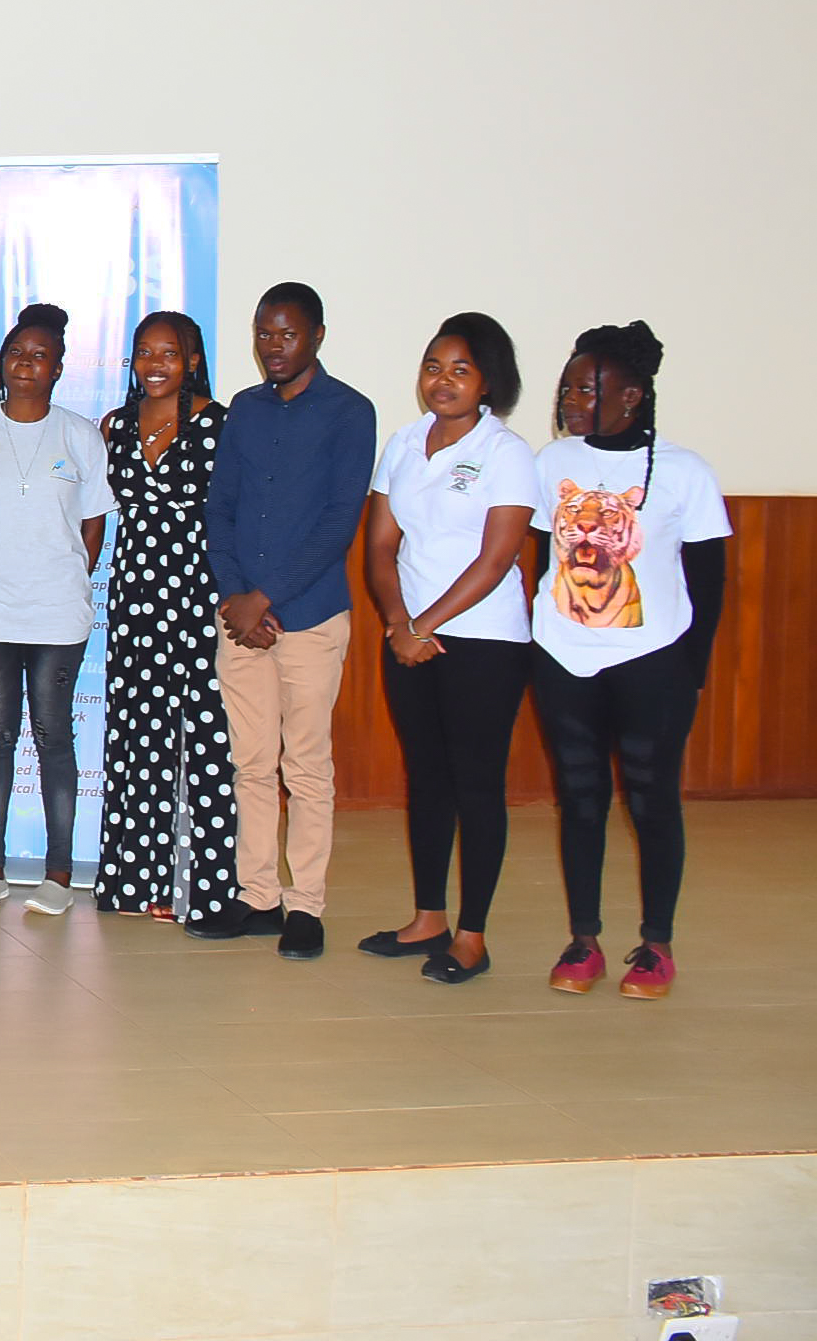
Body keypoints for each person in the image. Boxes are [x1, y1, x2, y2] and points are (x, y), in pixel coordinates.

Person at [528, 323, 727, 1002]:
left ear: (633, 396)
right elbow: (538, 560)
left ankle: (656, 945)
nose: (572, 398)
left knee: (651, 800)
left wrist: (688, 673)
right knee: (580, 800)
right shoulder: (552, 465)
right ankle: (584, 940)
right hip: (563, 660)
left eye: (588, 388)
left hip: (653, 662)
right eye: (569, 386)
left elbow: (709, 581)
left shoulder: (684, 472)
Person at [191, 282, 376, 959]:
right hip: (242, 619)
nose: (273, 346)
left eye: (287, 334)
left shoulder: (350, 412)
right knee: (251, 762)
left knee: (306, 766)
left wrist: (263, 598)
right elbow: (221, 507)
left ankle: (307, 905)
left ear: (317, 336)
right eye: (264, 334)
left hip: (310, 617)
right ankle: (258, 897)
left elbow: (338, 523)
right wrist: (239, 597)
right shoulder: (244, 409)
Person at [356, 313, 537, 984]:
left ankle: (472, 935)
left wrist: (421, 626)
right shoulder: (404, 443)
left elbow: (496, 560)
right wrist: (400, 621)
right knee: (425, 777)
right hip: (409, 638)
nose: (443, 380)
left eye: (461, 369)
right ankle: (428, 916)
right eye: (434, 365)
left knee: (477, 785)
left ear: (489, 381)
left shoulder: (506, 452)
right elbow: (380, 547)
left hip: (484, 644)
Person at [0, 305, 111, 916]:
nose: (26, 363)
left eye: (40, 356)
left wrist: (65, 576)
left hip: (59, 611)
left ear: (58, 369)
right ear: (2, 362)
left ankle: (58, 875)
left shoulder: (80, 435)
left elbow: (93, 524)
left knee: (53, 734)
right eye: (16, 353)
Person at [96, 313, 237, 926]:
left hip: (199, 596)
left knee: (203, 740)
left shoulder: (219, 424)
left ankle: (199, 889)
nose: (154, 364)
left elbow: (234, 514)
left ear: (193, 360)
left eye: (169, 354)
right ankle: (136, 881)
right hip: (133, 597)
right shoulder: (116, 425)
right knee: (138, 737)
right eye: (143, 353)